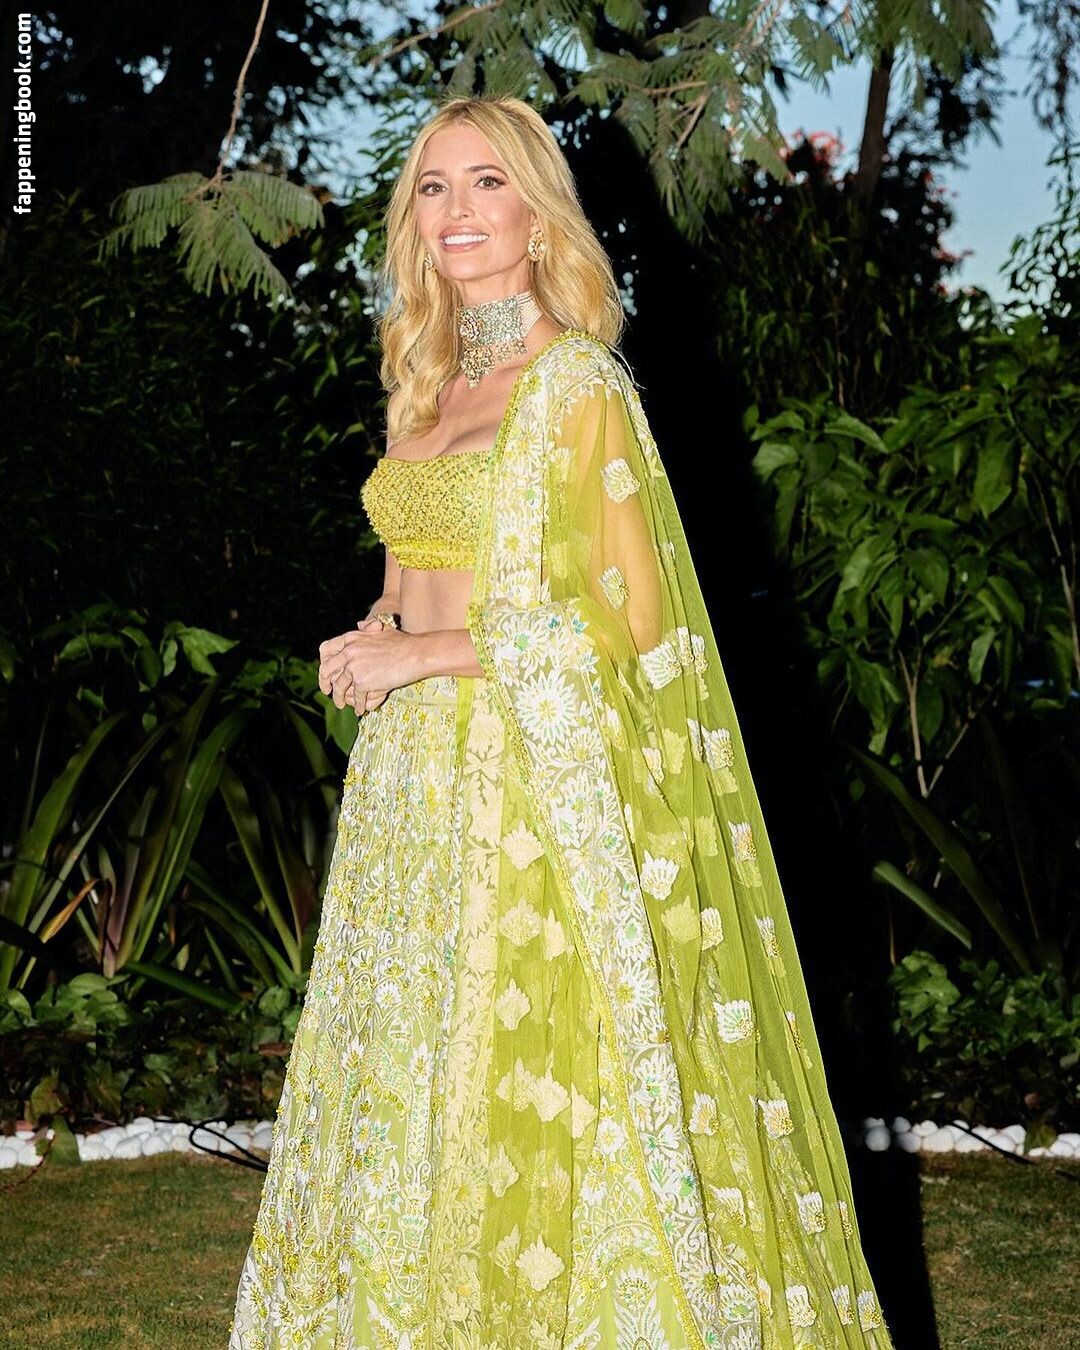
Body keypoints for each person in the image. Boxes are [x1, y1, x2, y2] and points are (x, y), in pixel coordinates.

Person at [228, 94, 894, 1350]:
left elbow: (634, 621)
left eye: (488, 182)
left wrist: (427, 651)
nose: (458, 211)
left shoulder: (578, 384)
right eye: (434, 187)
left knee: (532, 1062)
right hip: (411, 781)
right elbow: (415, 570)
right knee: (411, 1066)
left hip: (526, 781)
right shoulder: (423, 388)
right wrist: (378, 638)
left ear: (538, 213)